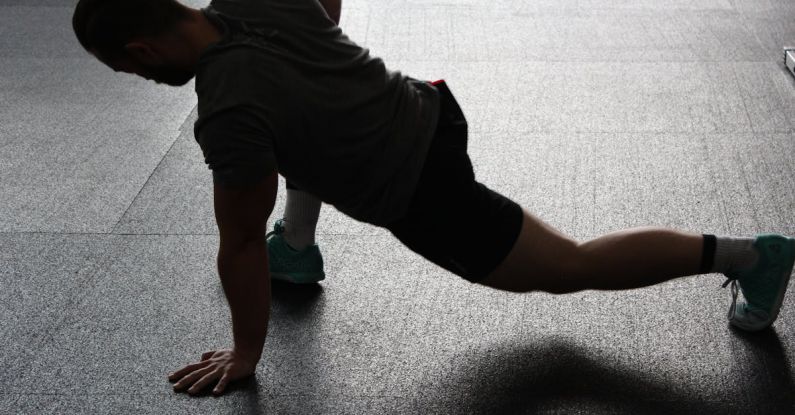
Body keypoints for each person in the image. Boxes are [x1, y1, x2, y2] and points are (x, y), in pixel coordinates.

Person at [72, 0, 795, 397]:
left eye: (128, 74)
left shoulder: (227, 112)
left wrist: (246, 351)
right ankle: (296, 248)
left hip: (419, 187)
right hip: (425, 103)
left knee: (568, 266)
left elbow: (234, 242)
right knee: (300, 126)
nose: (138, 81)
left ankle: (748, 255)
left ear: (141, 52)